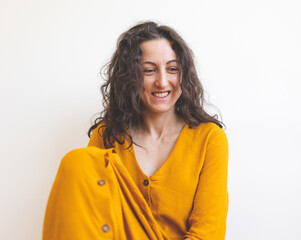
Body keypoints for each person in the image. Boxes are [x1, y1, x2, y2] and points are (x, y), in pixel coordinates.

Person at [43, 21, 228, 240]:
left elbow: (208, 232)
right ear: (130, 77)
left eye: (172, 69)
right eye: (149, 70)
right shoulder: (107, 135)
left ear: (184, 75)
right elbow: (90, 211)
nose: (162, 82)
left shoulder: (209, 138)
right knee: (76, 162)